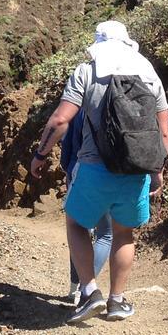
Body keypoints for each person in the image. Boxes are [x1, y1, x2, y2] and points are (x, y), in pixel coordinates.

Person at [30, 20, 168, 324]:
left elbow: (60, 121)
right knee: (124, 233)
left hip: (94, 168)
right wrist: (156, 171)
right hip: (136, 170)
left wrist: (40, 154)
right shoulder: (149, 74)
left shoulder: (87, 71)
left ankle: (90, 291)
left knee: (76, 224)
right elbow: (163, 132)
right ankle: (117, 302)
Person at [59, 107, 113, 306]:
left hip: (81, 173)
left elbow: (68, 142)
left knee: (79, 232)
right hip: (117, 175)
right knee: (105, 234)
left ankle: (79, 289)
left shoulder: (82, 103)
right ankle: (84, 289)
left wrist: (67, 169)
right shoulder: (123, 98)